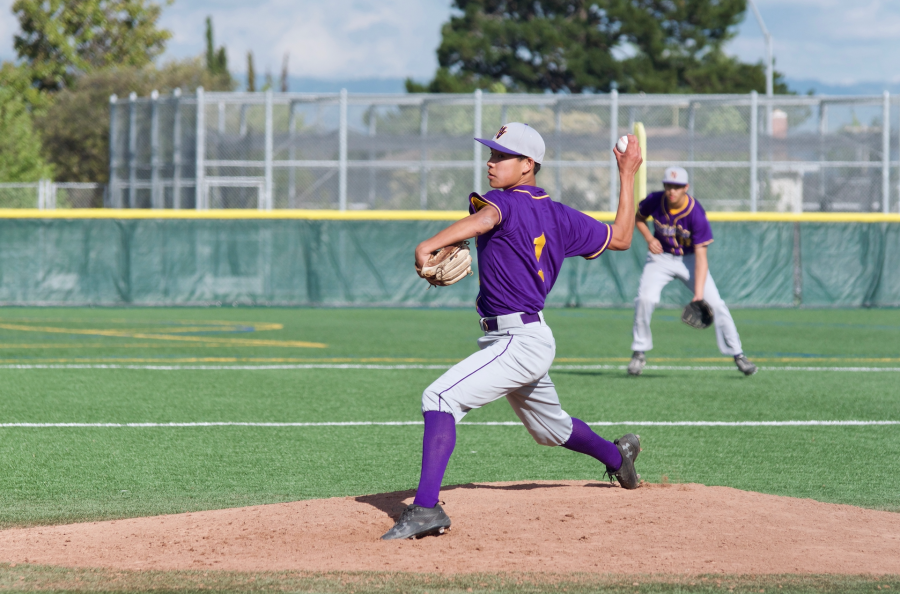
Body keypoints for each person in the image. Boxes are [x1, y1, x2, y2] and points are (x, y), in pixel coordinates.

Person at [381, 122, 644, 541]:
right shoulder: (561, 215)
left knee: (439, 397)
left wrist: (428, 244)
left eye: (502, 156)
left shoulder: (505, 202)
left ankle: (426, 510)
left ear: (527, 165)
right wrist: (627, 175)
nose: (491, 162)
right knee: (551, 430)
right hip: (522, 338)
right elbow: (623, 237)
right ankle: (619, 456)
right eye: (491, 154)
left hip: (518, 340)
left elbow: (487, 218)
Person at [626, 167, 757, 377]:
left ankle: (738, 354)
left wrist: (697, 294)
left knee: (716, 304)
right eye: (669, 185)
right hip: (661, 259)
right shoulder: (655, 200)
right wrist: (649, 239)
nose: (672, 191)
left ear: (686, 188)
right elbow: (639, 218)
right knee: (645, 299)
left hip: (689, 260)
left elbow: (701, 258)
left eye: (677, 187)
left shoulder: (696, 213)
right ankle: (639, 352)